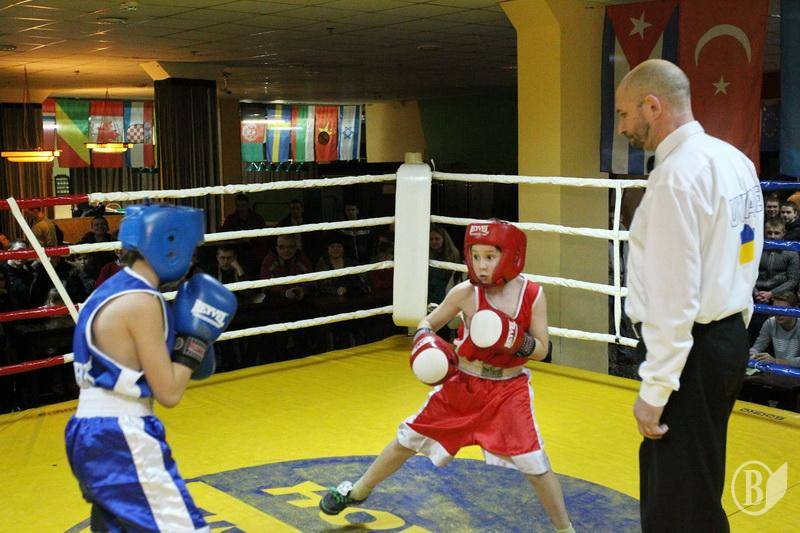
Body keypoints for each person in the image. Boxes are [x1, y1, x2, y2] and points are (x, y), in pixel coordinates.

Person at [319, 220, 573, 533]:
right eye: (475, 256)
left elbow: (543, 349)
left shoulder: (532, 294)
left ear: (511, 256)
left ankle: (565, 529)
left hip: (509, 389)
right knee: (408, 438)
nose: (481, 265)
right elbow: (428, 323)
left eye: (490, 257)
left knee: (534, 462)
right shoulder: (465, 293)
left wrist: (516, 340)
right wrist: (426, 344)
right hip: (464, 385)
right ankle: (358, 490)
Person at [616, 59, 763, 531]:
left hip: (690, 352)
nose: (622, 127)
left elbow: (672, 297)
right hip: (726, 340)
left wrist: (655, 388)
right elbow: (747, 254)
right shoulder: (734, 160)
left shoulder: (675, 179)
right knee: (698, 484)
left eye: (624, 114)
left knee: (675, 502)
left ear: (652, 106)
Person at [64, 203, 237, 532]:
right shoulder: (144, 302)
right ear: (170, 243)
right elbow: (169, 392)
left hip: (88, 430)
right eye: (190, 251)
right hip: (120, 433)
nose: (192, 261)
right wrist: (195, 340)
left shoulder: (111, 289)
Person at [750, 291, 800, 367]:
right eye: (775, 309)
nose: (778, 314)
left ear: (795, 309)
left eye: (783, 309)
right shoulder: (770, 322)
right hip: (778, 368)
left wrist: (776, 361)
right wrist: (751, 354)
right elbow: (758, 346)